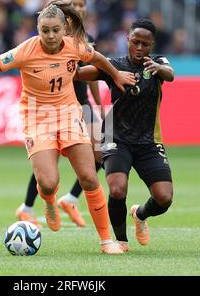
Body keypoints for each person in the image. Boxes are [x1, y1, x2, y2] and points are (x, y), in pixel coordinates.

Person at [0, 0, 136, 254]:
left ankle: (105, 241)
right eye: (45, 31)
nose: (51, 36)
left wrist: (115, 74)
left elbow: (98, 58)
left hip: (68, 114)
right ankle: (49, 201)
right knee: (47, 182)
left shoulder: (75, 46)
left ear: (65, 28)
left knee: (89, 177)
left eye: (56, 30)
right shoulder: (25, 51)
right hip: (36, 116)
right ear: (38, 30)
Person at [75, 19, 174, 252]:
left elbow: (170, 74)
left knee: (164, 198)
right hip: (114, 136)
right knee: (117, 188)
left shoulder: (158, 63)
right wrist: (69, 63)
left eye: (145, 44)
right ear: (127, 40)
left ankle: (140, 214)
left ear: (152, 45)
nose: (139, 48)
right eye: (135, 42)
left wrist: (159, 69)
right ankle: (121, 240)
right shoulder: (113, 65)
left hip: (148, 140)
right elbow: (81, 74)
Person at [16, 0, 103, 228]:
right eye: (74, 5)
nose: (79, 9)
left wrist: (99, 105)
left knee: (102, 153)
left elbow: (93, 73)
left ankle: (71, 198)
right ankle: (30, 206)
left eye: (82, 5)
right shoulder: (51, 36)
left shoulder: (84, 38)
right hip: (51, 107)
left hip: (80, 104)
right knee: (48, 160)